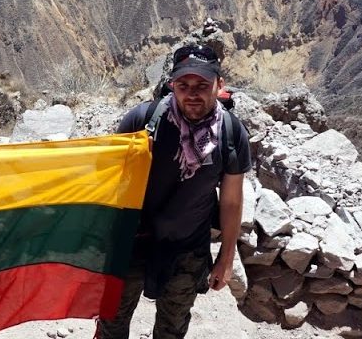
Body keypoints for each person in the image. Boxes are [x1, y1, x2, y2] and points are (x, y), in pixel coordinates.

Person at [97, 44, 253, 339]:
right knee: (112, 321)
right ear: (172, 85)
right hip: (131, 242)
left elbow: (231, 202)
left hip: (187, 249)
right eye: (184, 85)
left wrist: (226, 258)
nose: (192, 94)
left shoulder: (231, 133)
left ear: (219, 84)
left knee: (173, 327)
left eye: (202, 85)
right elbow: (112, 182)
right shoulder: (142, 121)